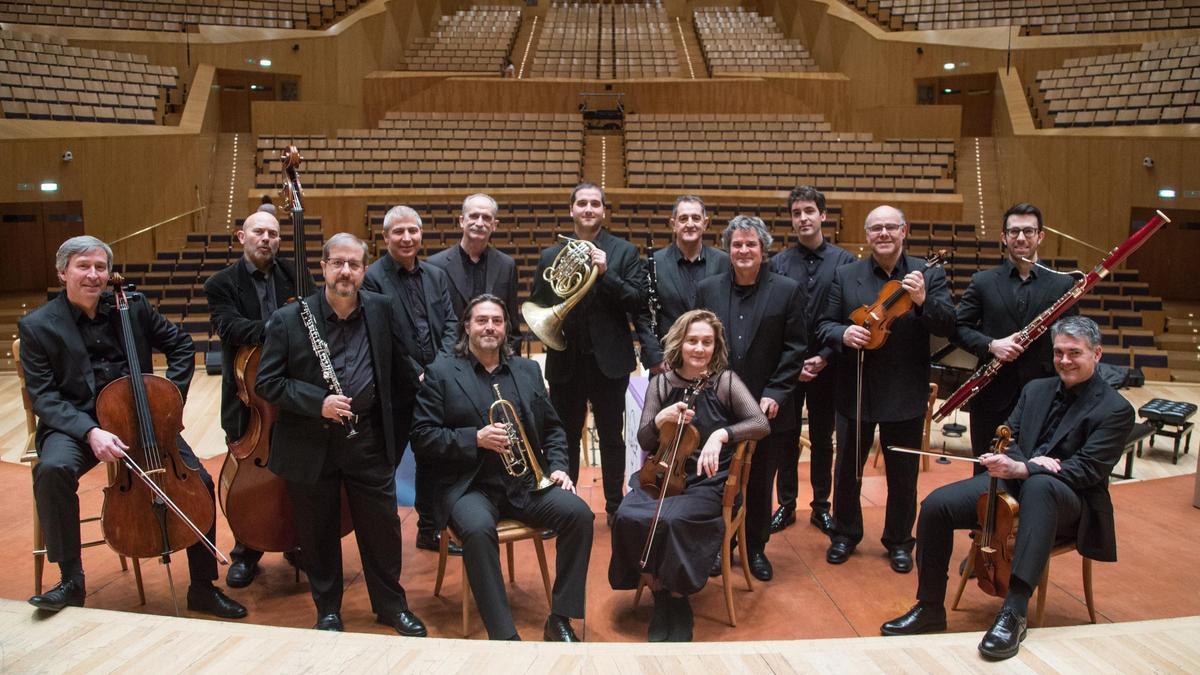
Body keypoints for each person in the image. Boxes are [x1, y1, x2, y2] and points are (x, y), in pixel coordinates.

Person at [881, 316, 1134, 661]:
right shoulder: (1036, 389)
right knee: (937, 505)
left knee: (1042, 487)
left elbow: (1087, 470)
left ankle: (1014, 614)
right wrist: (1015, 463)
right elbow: (1006, 434)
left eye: (1075, 353)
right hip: (1015, 484)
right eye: (1059, 352)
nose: (1064, 360)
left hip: (1071, 503)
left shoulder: (1115, 409)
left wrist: (1027, 469)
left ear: (1097, 354)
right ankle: (929, 608)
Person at [20, 236, 245, 619]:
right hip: (79, 424)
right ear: (63, 273)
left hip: (141, 418)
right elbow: (44, 398)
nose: (93, 275)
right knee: (52, 470)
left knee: (199, 482)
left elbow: (180, 346)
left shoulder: (132, 307)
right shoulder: (38, 326)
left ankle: (203, 587)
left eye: (100, 267)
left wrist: (166, 403)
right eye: (83, 266)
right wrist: (90, 431)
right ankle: (71, 581)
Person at [256, 233, 426, 635]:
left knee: (382, 529)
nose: (346, 271)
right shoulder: (290, 318)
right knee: (318, 532)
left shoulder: (382, 309)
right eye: (338, 263)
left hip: (367, 438)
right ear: (324, 267)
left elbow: (402, 366)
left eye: (354, 264)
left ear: (364, 269)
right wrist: (319, 402)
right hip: (311, 442)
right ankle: (328, 609)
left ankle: (390, 606)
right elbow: (268, 382)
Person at [411, 295, 593, 641]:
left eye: (497, 320)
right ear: (467, 327)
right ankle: (503, 635)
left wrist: (558, 467)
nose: (489, 327)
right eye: (481, 320)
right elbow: (422, 436)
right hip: (471, 487)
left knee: (579, 515)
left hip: (526, 484)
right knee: (479, 531)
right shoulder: (441, 373)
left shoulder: (527, 371)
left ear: (506, 327)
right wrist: (474, 438)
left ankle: (560, 618)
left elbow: (554, 428)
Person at [610, 310, 769, 642]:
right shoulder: (662, 383)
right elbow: (644, 440)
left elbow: (759, 423)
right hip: (663, 475)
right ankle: (660, 592)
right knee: (627, 514)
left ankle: (678, 600)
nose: (699, 348)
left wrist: (722, 434)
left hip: (709, 480)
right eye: (692, 341)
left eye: (707, 342)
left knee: (673, 519)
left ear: (716, 346)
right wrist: (658, 420)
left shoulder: (724, 381)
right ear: (680, 343)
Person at [815, 205, 955, 572]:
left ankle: (899, 541)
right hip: (855, 387)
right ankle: (844, 534)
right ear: (867, 235)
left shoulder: (929, 274)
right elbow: (824, 325)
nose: (883, 234)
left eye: (890, 227)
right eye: (876, 228)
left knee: (903, 475)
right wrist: (843, 333)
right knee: (847, 471)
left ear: (904, 230)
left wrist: (923, 301)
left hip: (904, 389)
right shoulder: (846, 276)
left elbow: (947, 325)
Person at [529, 182, 653, 521]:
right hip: (565, 359)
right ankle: (564, 508)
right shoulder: (550, 257)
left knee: (612, 437)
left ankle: (615, 506)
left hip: (609, 362)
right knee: (563, 437)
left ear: (603, 211)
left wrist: (605, 272)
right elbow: (540, 303)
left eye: (595, 204)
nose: (588, 209)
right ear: (571, 210)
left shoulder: (623, 252)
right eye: (581, 203)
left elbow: (636, 301)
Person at [696, 215, 807, 582]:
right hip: (718, 407)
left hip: (767, 407)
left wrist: (776, 392)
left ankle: (754, 548)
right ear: (728, 249)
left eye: (751, 244)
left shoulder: (787, 289)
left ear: (763, 249)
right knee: (716, 481)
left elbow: (795, 348)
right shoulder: (708, 288)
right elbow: (700, 345)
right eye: (737, 244)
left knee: (760, 483)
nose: (743, 250)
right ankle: (718, 545)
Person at [203, 210, 308, 587]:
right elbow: (231, 328)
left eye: (274, 234)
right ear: (241, 236)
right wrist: (282, 328)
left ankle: (298, 542)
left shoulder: (294, 274)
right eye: (259, 232)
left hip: (293, 393)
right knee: (251, 479)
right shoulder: (221, 284)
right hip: (248, 399)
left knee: (299, 471)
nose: (267, 239)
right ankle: (247, 549)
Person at [363, 205, 459, 554]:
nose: (406, 238)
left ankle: (429, 528)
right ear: (385, 237)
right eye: (398, 232)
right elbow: (384, 336)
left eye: (412, 231)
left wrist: (441, 369)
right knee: (388, 460)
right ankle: (382, 532)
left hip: (434, 385)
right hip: (397, 389)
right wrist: (417, 373)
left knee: (433, 459)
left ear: (421, 235)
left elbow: (450, 323)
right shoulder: (373, 277)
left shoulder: (435, 275)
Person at [953, 203, 1077, 472]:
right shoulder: (983, 281)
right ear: (1004, 237)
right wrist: (991, 345)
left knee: (1036, 472)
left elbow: (1072, 336)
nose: (1021, 238)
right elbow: (958, 328)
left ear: (1040, 236)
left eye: (1028, 231)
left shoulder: (1063, 284)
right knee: (985, 473)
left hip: (1045, 396)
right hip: (991, 395)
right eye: (1014, 231)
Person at [768, 186, 856, 535]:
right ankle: (786, 505)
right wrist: (794, 363)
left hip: (830, 365)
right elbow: (773, 318)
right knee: (785, 439)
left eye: (809, 211)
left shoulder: (846, 262)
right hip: (788, 367)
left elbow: (851, 317)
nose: (803, 218)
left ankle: (821, 506)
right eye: (796, 213)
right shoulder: (777, 262)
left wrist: (823, 356)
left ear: (823, 215)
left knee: (823, 439)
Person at [637, 195, 730, 370]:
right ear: (673, 224)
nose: (689, 224)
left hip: (713, 363)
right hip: (668, 362)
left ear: (705, 223)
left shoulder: (724, 262)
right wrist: (656, 359)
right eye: (683, 218)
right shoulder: (653, 262)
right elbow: (643, 314)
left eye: (696, 218)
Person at [426, 193, 522, 354]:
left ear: (494, 225)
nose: (479, 223)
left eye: (486, 217)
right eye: (474, 216)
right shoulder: (435, 265)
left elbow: (512, 324)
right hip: (451, 360)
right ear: (462, 221)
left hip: (494, 360)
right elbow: (432, 325)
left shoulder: (507, 265)